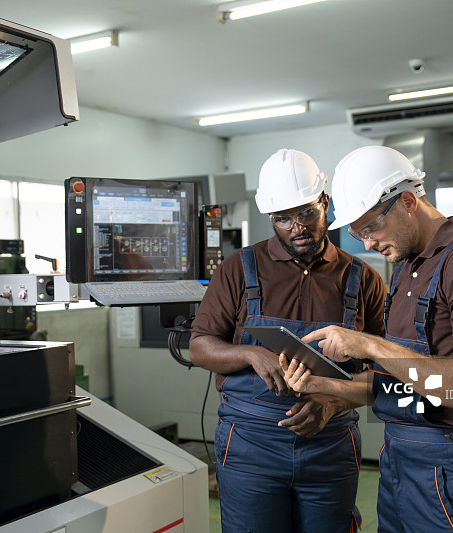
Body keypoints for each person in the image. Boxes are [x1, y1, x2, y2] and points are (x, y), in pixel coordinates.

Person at [281, 145, 453, 533]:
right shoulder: (409, 266)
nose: (367, 245)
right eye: (357, 234)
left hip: (448, 468)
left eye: (370, 228)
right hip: (398, 460)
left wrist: (369, 344)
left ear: (408, 201)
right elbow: (399, 385)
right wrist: (323, 386)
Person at [189, 148, 387, 533]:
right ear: (270, 217)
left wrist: (330, 403)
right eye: (283, 218)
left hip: (331, 443)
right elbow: (199, 346)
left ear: (325, 204)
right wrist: (250, 353)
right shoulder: (237, 270)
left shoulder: (362, 279)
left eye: (306, 213)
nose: (297, 227)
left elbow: (386, 367)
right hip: (250, 444)